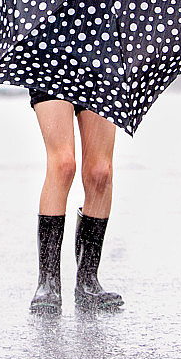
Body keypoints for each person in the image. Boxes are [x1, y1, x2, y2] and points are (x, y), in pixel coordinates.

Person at [27, 88, 124, 314]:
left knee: (101, 173)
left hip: (99, 59)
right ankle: (48, 282)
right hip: (51, 57)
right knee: (63, 165)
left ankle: (88, 281)